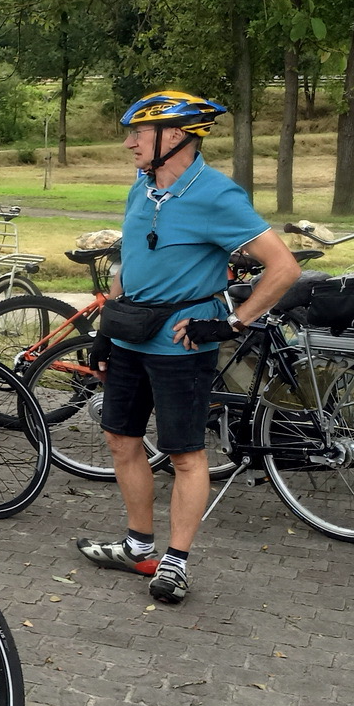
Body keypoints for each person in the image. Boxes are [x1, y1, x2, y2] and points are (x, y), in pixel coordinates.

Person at [77, 92, 299, 605]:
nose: (129, 143)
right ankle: (138, 547)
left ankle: (175, 562)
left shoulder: (217, 195)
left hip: (181, 344)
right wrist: (107, 327)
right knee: (121, 439)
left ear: (175, 136)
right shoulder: (142, 187)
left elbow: (284, 267)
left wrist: (231, 323)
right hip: (130, 334)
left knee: (184, 453)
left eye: (139, 133)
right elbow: (128, 262)